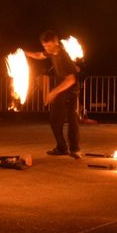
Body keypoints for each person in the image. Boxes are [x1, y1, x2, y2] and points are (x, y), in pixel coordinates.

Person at [25, 30, 82, 159]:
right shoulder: (52, 52)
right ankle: (61, 147)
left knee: (71, 118)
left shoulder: (64, 56)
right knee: (54, 120)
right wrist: (25, 53)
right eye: (45, 46)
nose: (47, 49)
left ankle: (75, 149)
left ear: (56, 42)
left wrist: (53, 93)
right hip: (61, 89)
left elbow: (71, 79)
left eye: (49, 46)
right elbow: (40, 55)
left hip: (70, 90)